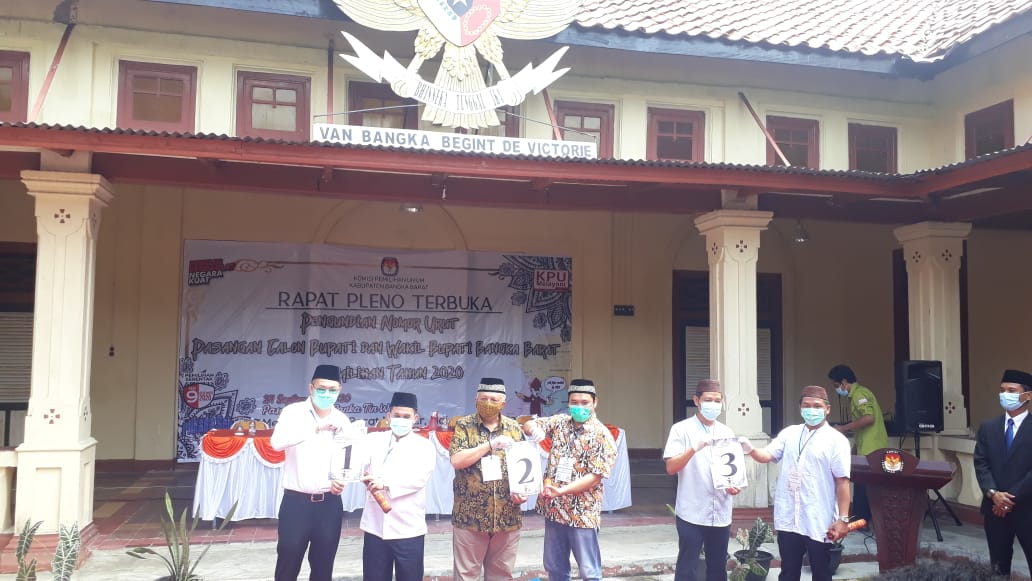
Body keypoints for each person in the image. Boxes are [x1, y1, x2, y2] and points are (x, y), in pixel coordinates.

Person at [740, 385, 852, 581]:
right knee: (788, 572)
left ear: (827, 409)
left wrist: (843, 519)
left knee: (821, 572)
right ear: (800, 408)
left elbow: (842, 482)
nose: (811, 410)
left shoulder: (837, 440)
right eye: (806, 405)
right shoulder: (789, 434)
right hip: (789, 516)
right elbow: (767, 455)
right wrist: (750, 449)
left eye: (817, 406)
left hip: (818, 518)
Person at [522, 379, 617, 581]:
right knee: (555, 568)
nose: (579, 407)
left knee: (589, 572)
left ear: (595, 402)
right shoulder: (560, 423)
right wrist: (533, 428)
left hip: (582, 512)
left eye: (585, 402)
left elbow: (595, 476)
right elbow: (528, 423)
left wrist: (562, 491)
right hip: (555, 509)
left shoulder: (602, 435)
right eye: (574, 402)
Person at [269, 364, 355, 581]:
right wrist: (315, 428)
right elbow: (277, 443)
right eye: (321, 388)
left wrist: (342, 480)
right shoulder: (293, 412)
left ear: (339, 390)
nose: (327, 394)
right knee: (288, 563)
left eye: (332, 390)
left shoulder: (342, 419)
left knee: (323, 567)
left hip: (329, 504)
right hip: (296, 503)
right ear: (311, 388)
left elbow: (347, 457)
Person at [450, 377, 528, 581]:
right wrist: (489, 445)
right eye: (483, 398)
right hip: (470, 517)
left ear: (503, 404)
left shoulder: (514, 428)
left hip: (507, 517)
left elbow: (523, 466)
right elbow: (457, 460)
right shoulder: (464, 426)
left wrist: (523, 491)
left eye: (494, 400)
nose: (488, 403)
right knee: (466, 576)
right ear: (475, 399)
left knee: (501, 576)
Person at [664, 379, 741, 581]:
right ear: (697, 401)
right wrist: (693, 449)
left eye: (717, 400)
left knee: (718, 567)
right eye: (708, 400)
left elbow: (730, 470)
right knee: (687, 567)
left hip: (721, 511)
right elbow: (671, 467)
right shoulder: (681, 429)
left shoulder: (726, 432)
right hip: (692, 511)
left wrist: (732, 486)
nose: (713, 405)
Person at [358, 391, 437, 581]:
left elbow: (419, 479)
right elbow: (356, 463)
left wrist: (385, 484)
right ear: (388, 416)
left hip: (408, 529)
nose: (401, 420)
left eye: (406, 416)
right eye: (397, 415)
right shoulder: (373, 440)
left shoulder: (424, 446)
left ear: (415, 418)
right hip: (375, 528)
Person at [973, 369, 1032, 577]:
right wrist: (993, 494)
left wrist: (1009, 499)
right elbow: (981, 463)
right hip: (995, 510)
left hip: (1027, 509)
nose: (1005, 395)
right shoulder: (988, 427)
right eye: (1002, 390)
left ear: (1027, 396)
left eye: (1011, 390)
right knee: (998, 569)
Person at [827, 364, 887, 523]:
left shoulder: (860, 394)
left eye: (836, 385)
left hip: (872, 448)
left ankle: (862, 520)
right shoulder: (857, 394)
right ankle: (863, 519)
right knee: (863, 485)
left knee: (863, 485)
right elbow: (862, 428)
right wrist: (854, 449)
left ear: (844, 382)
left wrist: (843, 428)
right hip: (866, 447)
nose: (836, 389)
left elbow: (868, 418)